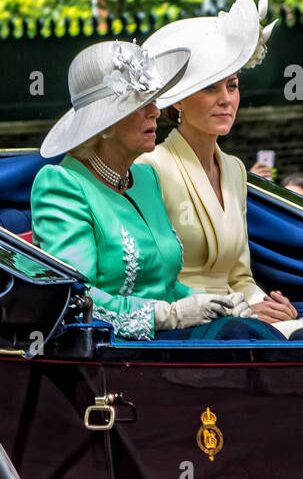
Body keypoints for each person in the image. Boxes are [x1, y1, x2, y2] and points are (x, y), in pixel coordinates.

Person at [140, 0, 303, 337]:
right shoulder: (151, 167)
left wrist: (269, 305)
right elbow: (157, 277)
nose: (226, 98)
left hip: (243, 315)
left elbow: (239, 275)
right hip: (196, 323)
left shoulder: (235, 169)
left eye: (232, 85)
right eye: (210, 88)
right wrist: (245, 310)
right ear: (177, 101)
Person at [32, 39, 277, 341]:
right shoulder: (62, 185)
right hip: (114, 351)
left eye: (153, 100)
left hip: (170, 339)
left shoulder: (146, 178)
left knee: (254, 332)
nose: (156, 112)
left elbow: (167, 284)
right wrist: (169, 315)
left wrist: (217, 302)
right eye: (139, 104)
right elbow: (76, 298)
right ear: (104, 123)